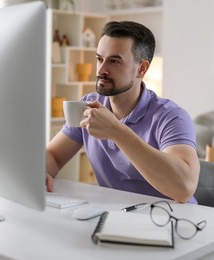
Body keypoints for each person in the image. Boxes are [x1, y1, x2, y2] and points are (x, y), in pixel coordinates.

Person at [46, 21, 200, 204]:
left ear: (141, 69)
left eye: (114, 61)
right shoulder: (89, 106)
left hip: (172, 222)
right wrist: (39, 171)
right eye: (99, 59)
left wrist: (116, 131)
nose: (101, 70)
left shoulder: (171, 116)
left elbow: (183, 188)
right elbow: (53, 156)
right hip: (116, 218)